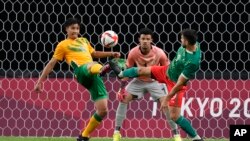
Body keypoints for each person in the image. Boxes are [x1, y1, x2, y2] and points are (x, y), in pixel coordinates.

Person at [34, 18, 120, 141]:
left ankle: (84, 136)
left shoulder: (83, 40)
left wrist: (111, 54)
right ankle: (104, 68)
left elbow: (94, 53)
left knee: (103, 110)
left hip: (93, 74)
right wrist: (39, 82)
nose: (75, 30)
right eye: (72, 28)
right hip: (81, 72)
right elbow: (51, 63)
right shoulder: (63, 45)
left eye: (77, 28)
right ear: (66, 29)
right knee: (91, 64)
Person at [109, 29, 204, 141]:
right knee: (141, 71)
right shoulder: (193, 44)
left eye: (182, 38)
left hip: (174, 83)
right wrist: (122, 86)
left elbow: (179, 83)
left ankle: (195, 138)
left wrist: (167, 98)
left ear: (187, 41)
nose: (180, 40)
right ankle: (121, 73)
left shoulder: (192, 62)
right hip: (165, 71)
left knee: (175, 116)